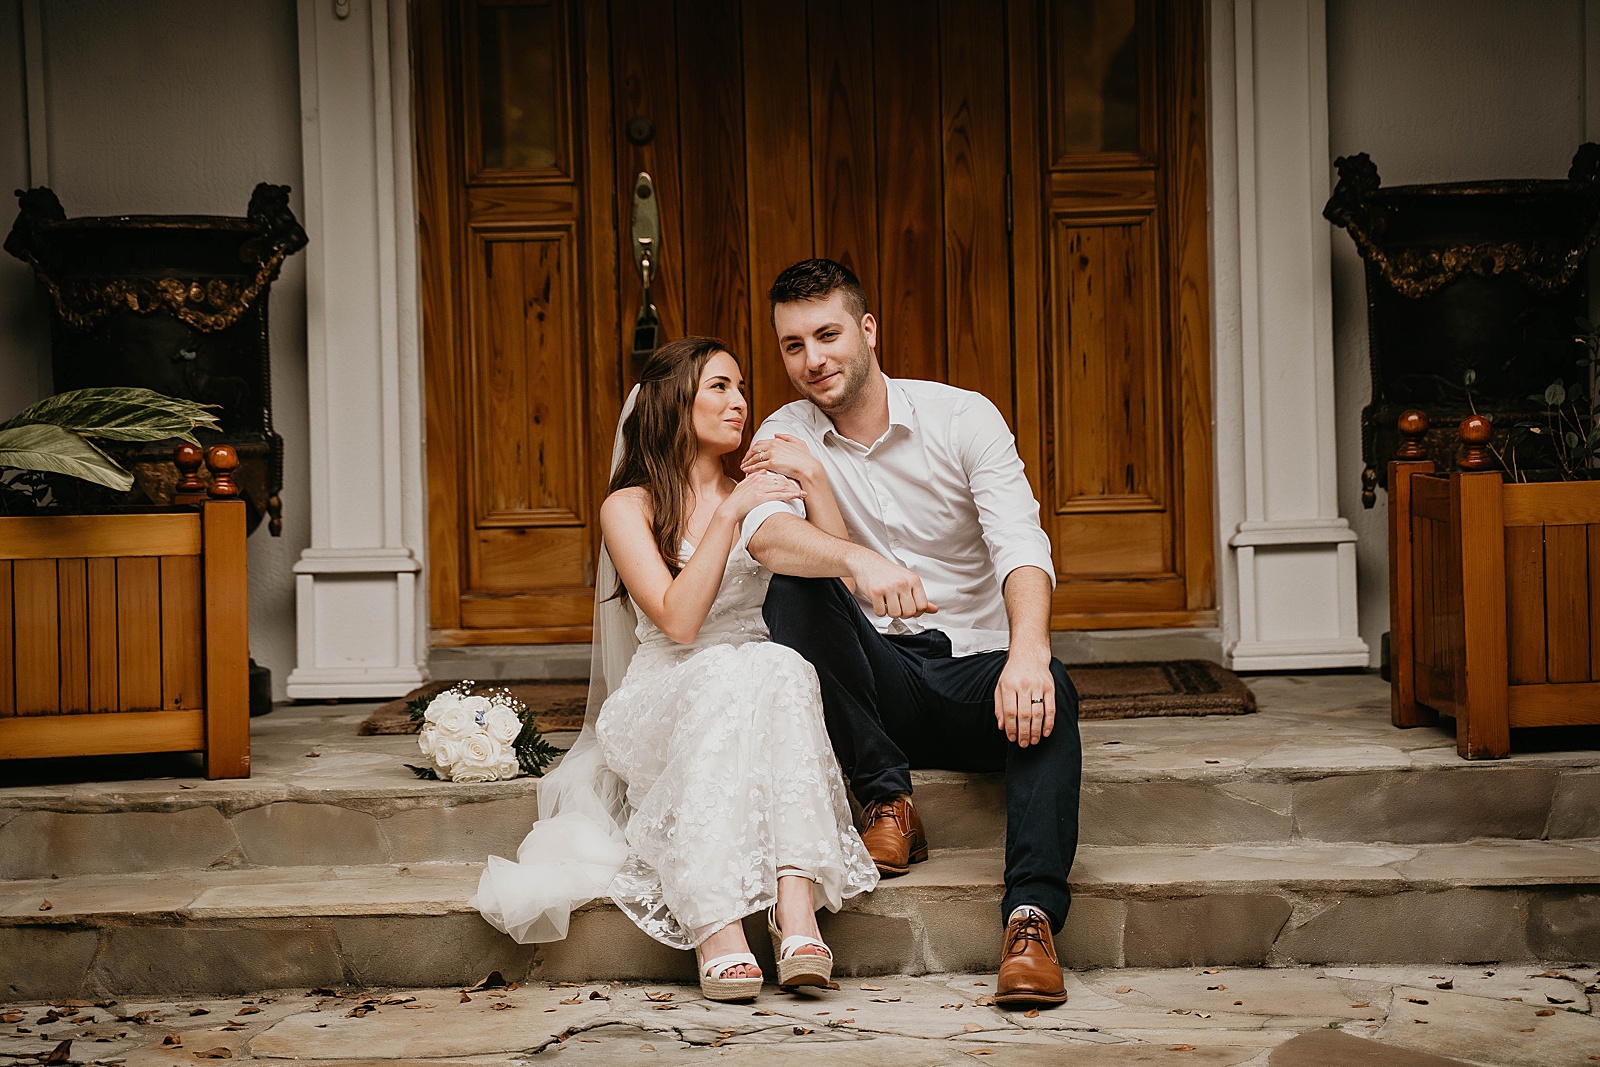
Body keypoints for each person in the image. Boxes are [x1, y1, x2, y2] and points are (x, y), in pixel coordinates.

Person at [472, 337, 878, 1002]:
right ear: (671, 400)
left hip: (754, 684)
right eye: (719, 386)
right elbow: (680, 623)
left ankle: (795, 910)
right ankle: (715, 921)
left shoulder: (756, 492)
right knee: (732, 670)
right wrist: (730, 515)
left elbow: (844, 569)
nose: (740, 401)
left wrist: (813, 479)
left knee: (781, 666)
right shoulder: (628, 506)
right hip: (665, 690)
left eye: (742, 387)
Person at [738, 258, 1083, 1008]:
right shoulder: (783, 432)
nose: (812, 360)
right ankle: (886, 798)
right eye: (793, 345)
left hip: (973, 677)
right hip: (869, 689)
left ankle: (1031, 919)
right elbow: (765, 538)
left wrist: (1028, 651)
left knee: (1051, 685)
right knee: (794, 585)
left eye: (827, 335)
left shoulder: (963, 417)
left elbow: (1021, 541)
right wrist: (857, 559)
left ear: (867, 330)